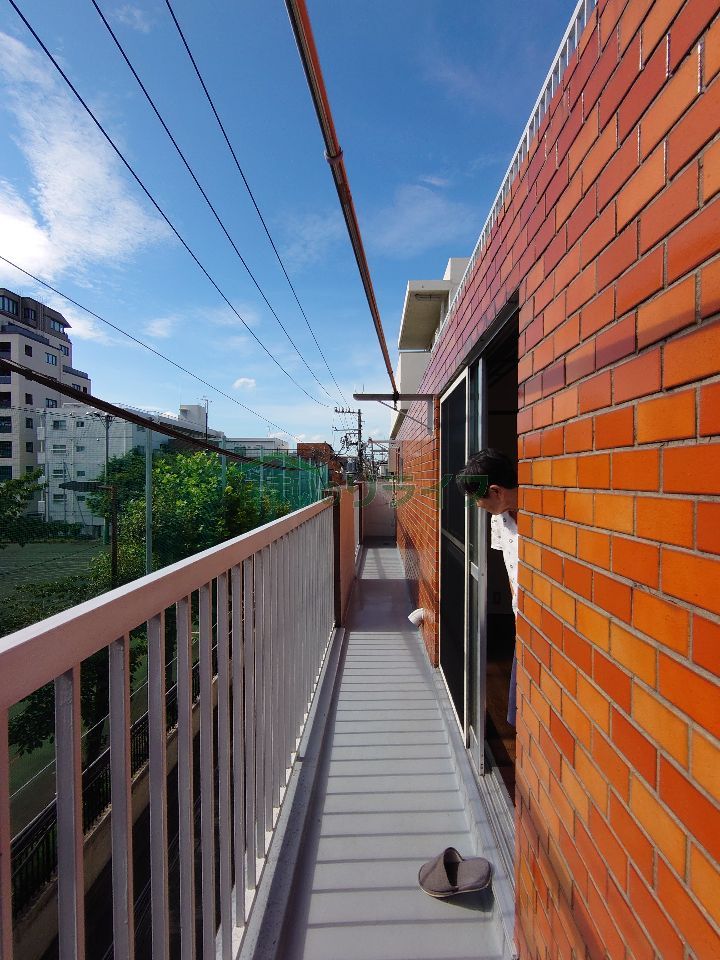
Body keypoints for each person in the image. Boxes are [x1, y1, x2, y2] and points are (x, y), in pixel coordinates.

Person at [455, 448, 518, 726]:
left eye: (477, 498)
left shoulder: (545, 515)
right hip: (523, 621)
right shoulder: (499, 519)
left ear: (496, 492)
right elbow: (511, 569)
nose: (477, 505)